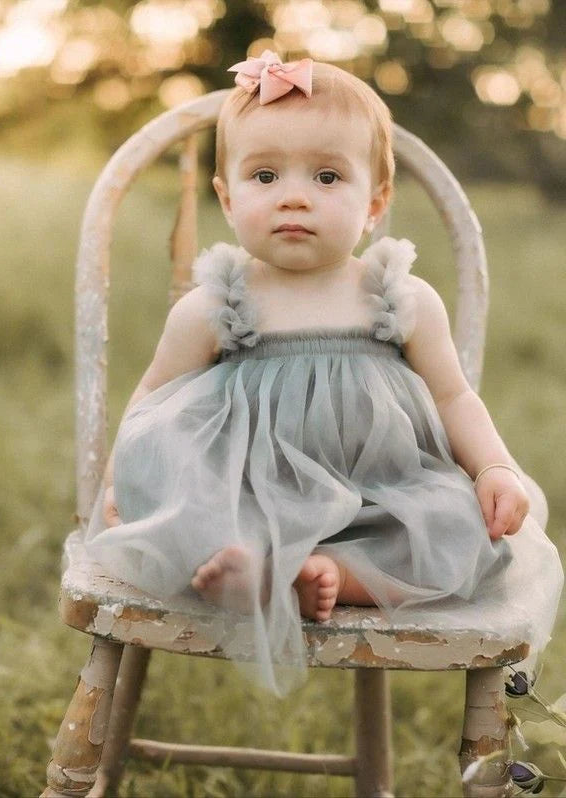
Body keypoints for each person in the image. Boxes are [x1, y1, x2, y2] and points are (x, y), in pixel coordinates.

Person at [84, 51, 562, 694]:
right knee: (173, 483)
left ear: (375, 202)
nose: (295, 197)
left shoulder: (401, 297)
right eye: (264, 175)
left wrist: (495, 467)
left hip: (378, 496)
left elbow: (454, 398)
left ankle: (320, 570)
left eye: (329, 177)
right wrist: (123, 485)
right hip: (248, 500)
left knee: (462, 532)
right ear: (226, 197)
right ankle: (246, 566)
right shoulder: (214, 304)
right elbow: (152, 402)